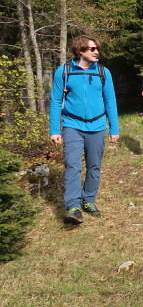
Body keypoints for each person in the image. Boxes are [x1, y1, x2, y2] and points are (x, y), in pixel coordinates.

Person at [49, 35, 119, 225]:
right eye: (92, 49)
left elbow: (110, 101)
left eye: (97, 48)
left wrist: (114, 127)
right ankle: (73, 207)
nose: (97, 52)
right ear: (80, 51)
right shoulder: (63, 72)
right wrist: (54, 129)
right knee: (73, 165)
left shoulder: (104, 73)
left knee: (94, 166)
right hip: (72, 125)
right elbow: (56, 101)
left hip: (97, 127)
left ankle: (88, 200)